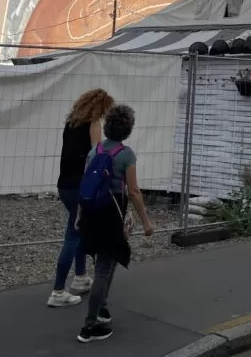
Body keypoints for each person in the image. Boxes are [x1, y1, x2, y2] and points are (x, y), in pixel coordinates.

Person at [77, 104, 153, 343]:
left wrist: (79, 216)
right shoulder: (126, 154)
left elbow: (85, 185)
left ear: (107, 126)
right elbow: (134, 191)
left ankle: (102, 308)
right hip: (111, 216)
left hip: (91, 214)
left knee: (108, 262)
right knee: (103, 268)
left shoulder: (95, 150)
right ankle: (90, 326)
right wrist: (146, 222)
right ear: (127, 129)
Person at [47, 88, 114, 309]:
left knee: (80, 229)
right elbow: (96, 157)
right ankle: (58, 291)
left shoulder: (71, 123)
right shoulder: (93, 124)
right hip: (80, 186)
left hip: (64, 184)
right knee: (73, 235)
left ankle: (81, 276)